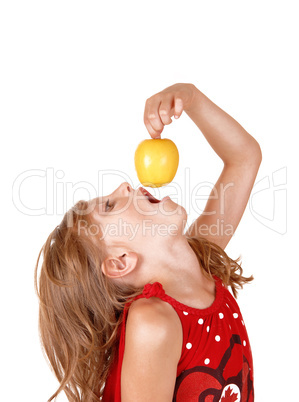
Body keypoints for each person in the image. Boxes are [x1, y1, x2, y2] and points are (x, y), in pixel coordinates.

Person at [35, 83, 262, 401]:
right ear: (120, 261)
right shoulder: (153, 322)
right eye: (110, 206)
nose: (124, 185)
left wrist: (191, 98)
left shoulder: (201, 258)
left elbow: (244, 157)